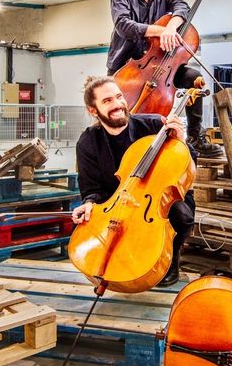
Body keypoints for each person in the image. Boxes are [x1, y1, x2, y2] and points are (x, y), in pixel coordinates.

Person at [71, 76, 194, 287]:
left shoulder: (154, 125)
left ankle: (170, 259)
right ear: (93, 111)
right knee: (89, 224)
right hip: (115, 199)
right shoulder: (88, 142)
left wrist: (180, 140)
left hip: (157, 196)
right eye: (107, 101)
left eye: (119, 97)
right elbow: (92, 187)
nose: (118, 104)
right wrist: (89, 203)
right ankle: (118, 261)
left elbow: (184, 166)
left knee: (181, 215)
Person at [107, 0, 223, 158]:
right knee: (115, 104)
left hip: (162, 64)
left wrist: (171, 26)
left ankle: (195, 137)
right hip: (128, 63)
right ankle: (115, 143)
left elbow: (182, 8)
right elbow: (123, 26)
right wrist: (160, 32)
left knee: (195, 78)